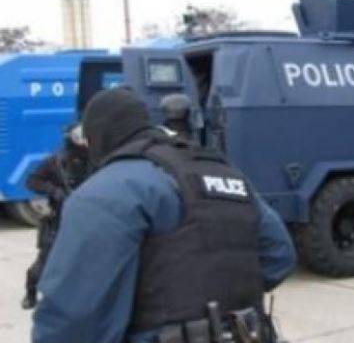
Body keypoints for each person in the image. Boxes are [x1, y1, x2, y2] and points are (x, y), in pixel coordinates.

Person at [32, 87, 296, 342]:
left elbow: (74, 314)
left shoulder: (106, 190)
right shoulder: (223, 171)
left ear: (100, 136)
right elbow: (279, 255)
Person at [21, 124, 88, 309]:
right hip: (60, 218)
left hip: (87, 217)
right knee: (45, 262)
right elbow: (32, 181)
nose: (82, 140)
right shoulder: (56, 161)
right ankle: (31, 291)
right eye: (78, 135)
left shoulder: (96, 160)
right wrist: (53, 190)